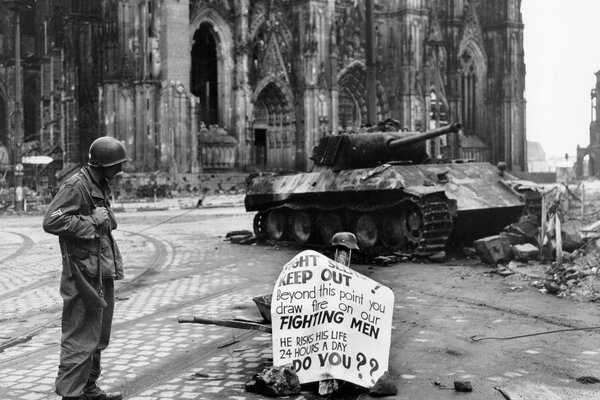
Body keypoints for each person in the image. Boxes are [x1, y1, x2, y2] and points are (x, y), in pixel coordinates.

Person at [43, 136, 130, 400]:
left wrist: (102, 220)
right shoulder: (75, 186)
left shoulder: (99, 184)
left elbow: (105, 223)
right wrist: (91, 221)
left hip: (100, 270)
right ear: (103, 164)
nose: (121, 169)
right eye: (118, 164)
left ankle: (88, 388)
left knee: (99, 335)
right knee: (80, 336)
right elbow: (51, 221)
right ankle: (72, 394)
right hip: (81, 274)